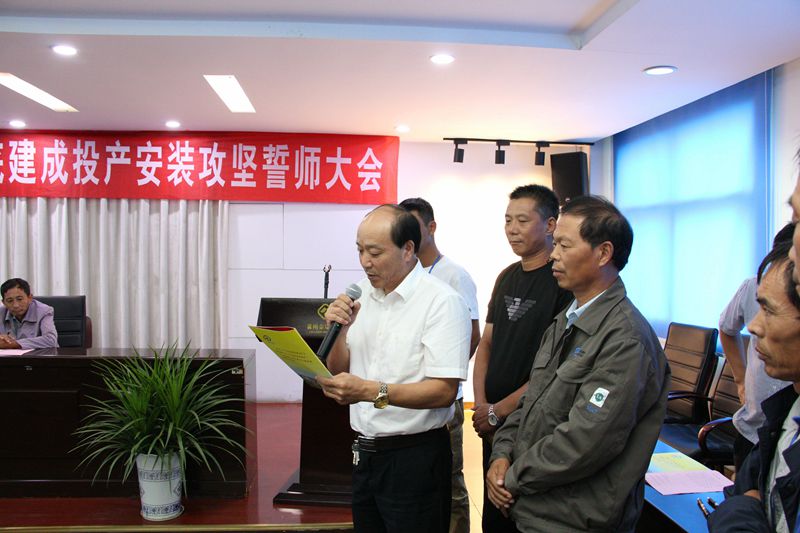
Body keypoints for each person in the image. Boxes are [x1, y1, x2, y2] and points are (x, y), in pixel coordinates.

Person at [486, 196, 670, 532]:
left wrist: (512, 477)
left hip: (573, 519)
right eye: (555, 243)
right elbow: (532, 401)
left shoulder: (626, 339)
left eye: (564, 245)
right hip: (535, 508)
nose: (553, 255)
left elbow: (587, 441)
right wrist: (501, 453)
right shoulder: (567, 320)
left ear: (603, 253)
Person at [316, 204, 471, 533]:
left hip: (415, 457)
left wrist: (370, 391)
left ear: (408, 249)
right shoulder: (361, 294)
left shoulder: (442, 302)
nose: (365, 261)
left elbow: (443, 392)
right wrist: (340, 331)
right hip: (364, 453)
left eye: (375, 252)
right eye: (359, 250)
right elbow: (338, 367)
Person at [471, 184, 572, 533]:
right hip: (491, 422)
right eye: (508, 220)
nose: (512, 229)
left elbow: (557, 368)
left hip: (531, 422)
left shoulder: (562, 283)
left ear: (550, 225)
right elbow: (487, 344)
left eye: (523, 221)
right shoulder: (506, 276)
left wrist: (500, 411)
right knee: (493, 513)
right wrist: (481, 406)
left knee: (520, 510)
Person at [707, 237, 800, 532]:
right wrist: (745, 504)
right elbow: (740, 491)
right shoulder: (783, 414)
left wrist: (743, 510)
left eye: (769, 311)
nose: (754, 326)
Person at [399, 197, 480, 533]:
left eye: (414, 227)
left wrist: (446, 376)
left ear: (431, 228)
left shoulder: (454, 276)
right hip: (408, 394)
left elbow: (473, 335)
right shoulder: (403, 273)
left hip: (444, 396)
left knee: (451, 479)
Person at [719, 223, 794, 471]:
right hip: (752, 427)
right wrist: (740, 379)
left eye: (770, 311)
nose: (755, 327)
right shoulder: (753, 286)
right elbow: (726, 328)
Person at [1, 278, 58, 349]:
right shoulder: (1, 313)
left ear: (30, 298)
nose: (15, 305)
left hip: (40, 355)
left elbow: (51, 340)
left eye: (19, 299)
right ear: (3, 302)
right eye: (10, 301)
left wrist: (13, 344)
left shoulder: (44, 311)